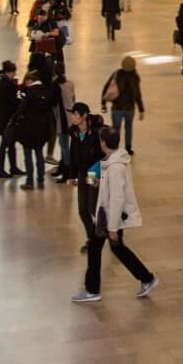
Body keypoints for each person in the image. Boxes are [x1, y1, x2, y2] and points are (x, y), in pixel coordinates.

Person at [74, 125, 158, 303]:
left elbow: (117, 199)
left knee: (95, 247)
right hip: (110, 215)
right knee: (117, 248)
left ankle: (92, 290)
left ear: (103, 143)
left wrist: (112, 227)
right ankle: (147, 278)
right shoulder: (114, 161)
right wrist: (98, 183)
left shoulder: (115, 167)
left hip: (110, 217)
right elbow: (111, 189)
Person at [102, 54, 144, 153]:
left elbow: (107, 88)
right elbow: (137, 94)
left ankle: (115, 147)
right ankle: (128, 148)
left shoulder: (116, 74)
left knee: (116, 129)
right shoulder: (135, 77)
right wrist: (141, 109)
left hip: (117, 108)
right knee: (128, 128)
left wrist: (103, 103)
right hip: (129, 109)